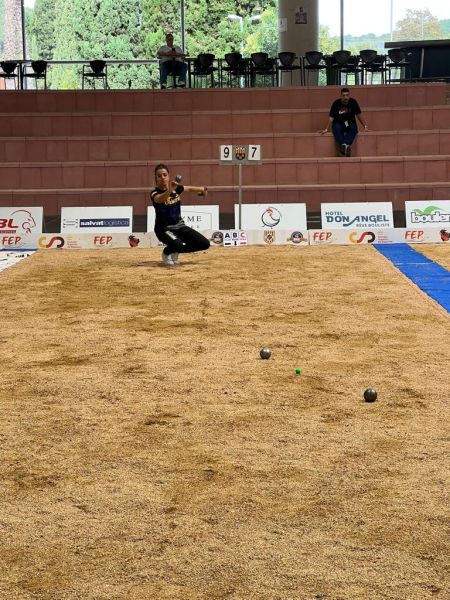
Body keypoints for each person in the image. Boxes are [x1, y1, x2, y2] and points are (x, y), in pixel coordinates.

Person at [150, 163, 210, 266]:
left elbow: (189, 189)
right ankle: (167, 252)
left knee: (204, 244)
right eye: (159, 176)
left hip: (180, 227)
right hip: (164, 229)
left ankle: (175, 250)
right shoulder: (154, 193)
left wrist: (203, 189)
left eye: (165, 175)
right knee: (179, 244)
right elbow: (160, 199)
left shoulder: (176, 189)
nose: (162, 178)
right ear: (156, 178)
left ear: (169, 176)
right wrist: (170, 189)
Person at [320, 87, 369, 156]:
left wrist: (365, 126)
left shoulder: (353, 102)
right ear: (341, 96)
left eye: (347, 95)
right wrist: (326, 129)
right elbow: (331, 117)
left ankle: (343, 146)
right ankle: (346, 147)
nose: (345, 97)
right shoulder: (336, 103)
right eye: (343, 95)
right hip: (339, 123)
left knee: (354, 128)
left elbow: (358, 115)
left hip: (349, 123)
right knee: (336, 128)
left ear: (349, 95)